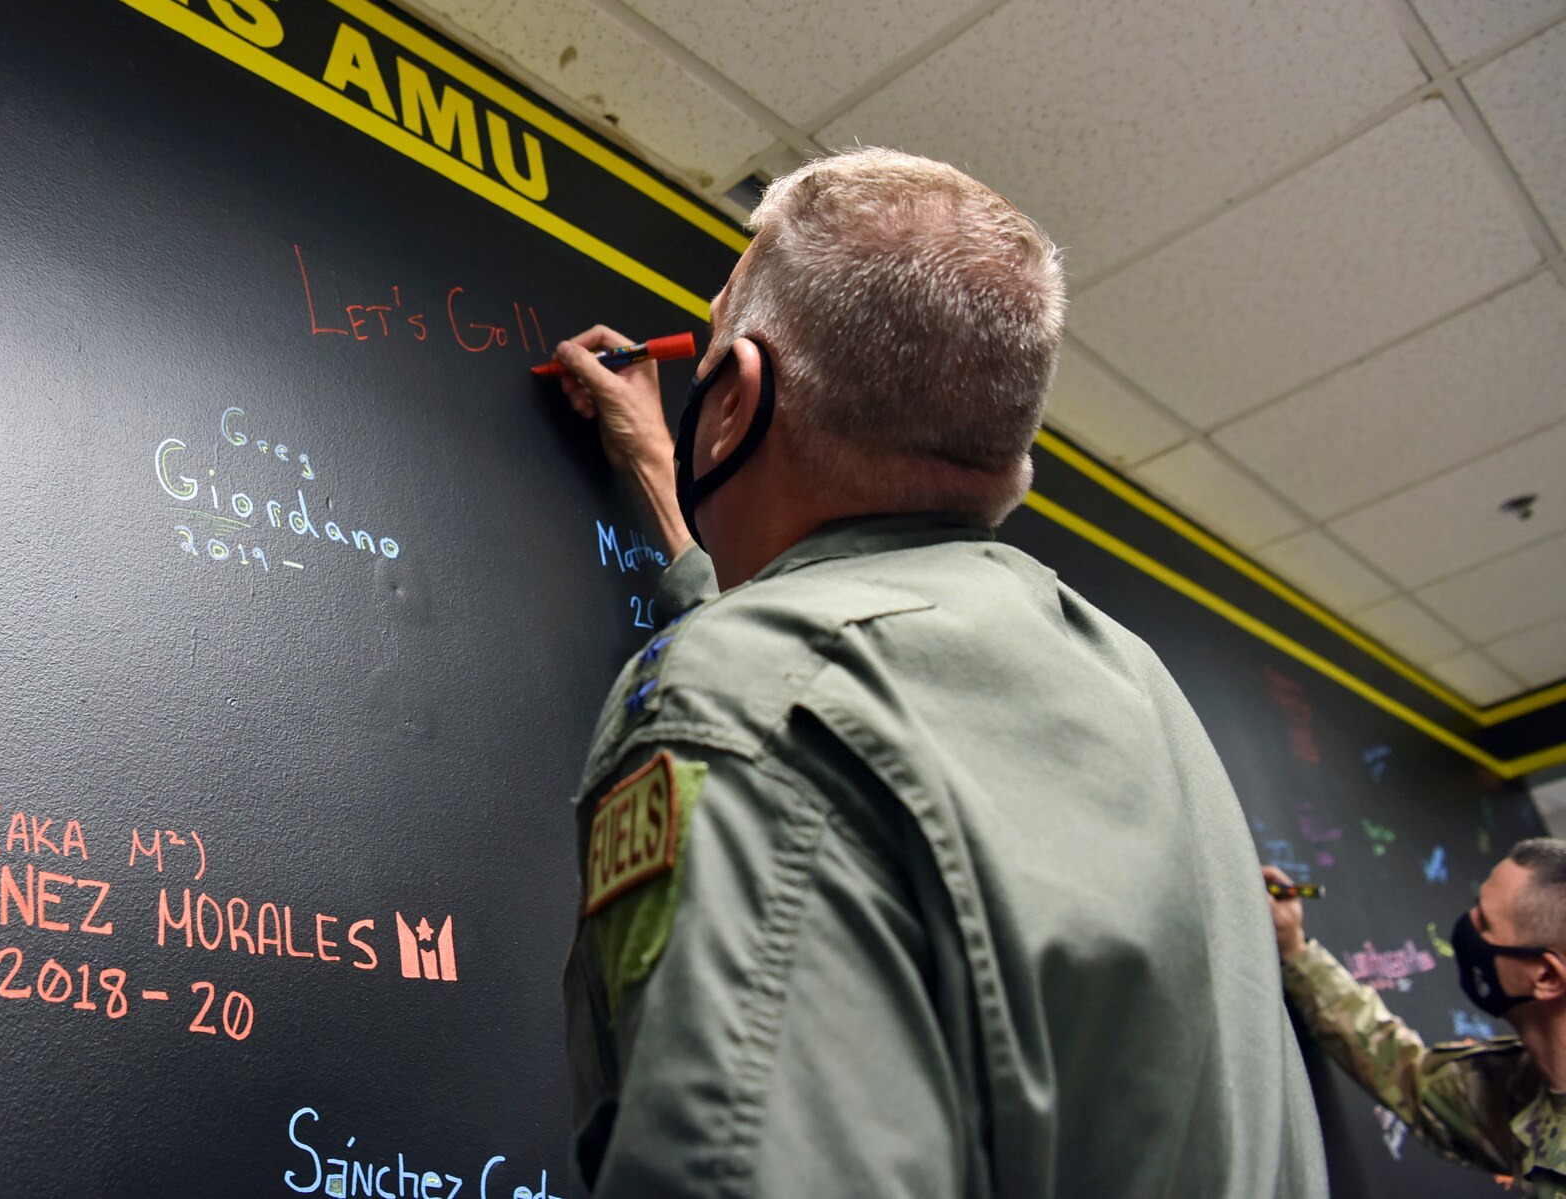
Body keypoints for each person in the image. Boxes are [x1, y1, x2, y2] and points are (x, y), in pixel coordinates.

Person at [546, 146, 1326, 1197]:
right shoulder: (1135, 692)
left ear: (730, 399)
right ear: (1008, 464)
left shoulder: (744, 693)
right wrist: (656, 464)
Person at [1267, 841, 1566, 1194]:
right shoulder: (1526, 1088)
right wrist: (1296, 952)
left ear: (1546, 977)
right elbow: (1413, 1080)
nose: (1467, 928)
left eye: (1484, 924)